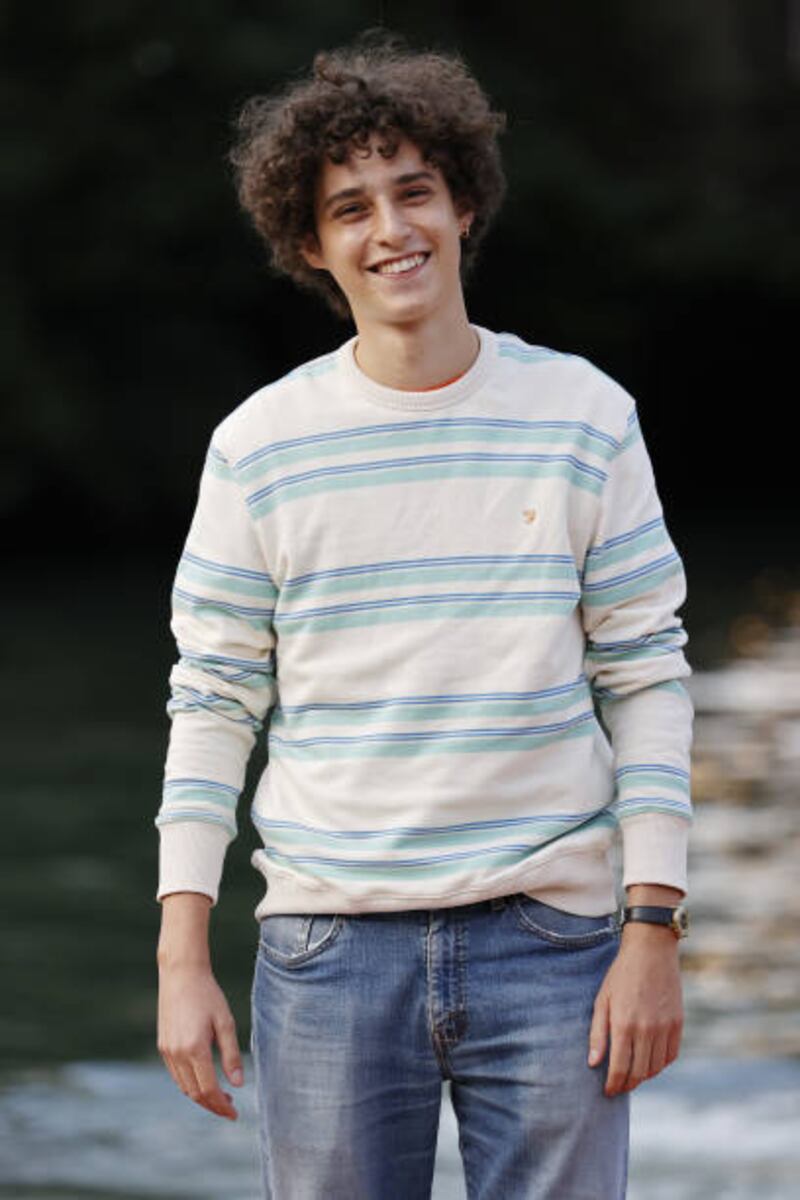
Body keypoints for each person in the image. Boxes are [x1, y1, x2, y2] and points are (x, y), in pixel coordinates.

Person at [155, 28, 693, 1199]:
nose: (389, 228)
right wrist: (180, 954)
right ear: (312, 243)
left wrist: (651, 926)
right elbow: (212, 699)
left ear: (462, 209)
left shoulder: (583, 417)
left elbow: (646, 673)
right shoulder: (258, 448)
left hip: (554, 944)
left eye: (413, 193)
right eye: (350, 208)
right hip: (329, 950)